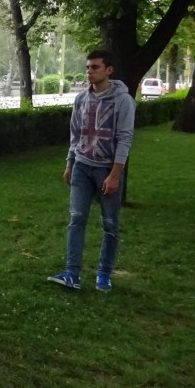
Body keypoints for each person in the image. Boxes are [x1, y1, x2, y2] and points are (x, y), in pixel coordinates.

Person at [48, 49, 136, 292]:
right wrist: (70, 163)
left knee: (110, 224)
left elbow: (125, 139)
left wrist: (115, 175)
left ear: (109, 70)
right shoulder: (81, 99)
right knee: (76, 219)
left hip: (106, 170)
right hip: (81, 167)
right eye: (87, 67)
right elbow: (75, 134)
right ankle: (72, 273)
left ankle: (104, 274)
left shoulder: (123, 101)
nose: (89, 71)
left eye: (95, 67)